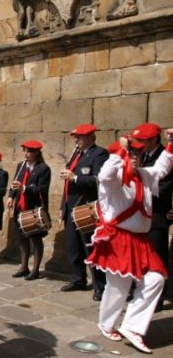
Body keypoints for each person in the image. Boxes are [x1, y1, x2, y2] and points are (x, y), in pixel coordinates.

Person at [86, 130, 173, 354]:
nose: (136, 156)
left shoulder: (144, 175)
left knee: (156, 278)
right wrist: (121, 152)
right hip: (119, 239)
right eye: (132, 153)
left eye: (138, 153)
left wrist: (171, 143)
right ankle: (106, 324)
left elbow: (162, 168)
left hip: (140, 240)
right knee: (118, 286)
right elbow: (104, 175)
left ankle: (132, 327)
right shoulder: (113, 181)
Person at [58, 124, 109, 299]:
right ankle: (78, 279)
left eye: (79, 137)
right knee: (73, 247)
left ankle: (100, 286)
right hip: (72, 207)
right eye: (75, 137)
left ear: (90, 137)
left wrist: (76, 178)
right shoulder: (76, 155)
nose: (76, 140)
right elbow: (67, 185)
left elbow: (99, 180)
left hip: (86, 208)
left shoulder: (99, 154)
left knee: (90, 248)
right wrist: (62, 206)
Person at [132, 123, 173, 311]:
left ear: (154, 140)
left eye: (142, 140)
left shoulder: (165, 157)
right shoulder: (143, 155)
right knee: (142, 260)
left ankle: (157, 299)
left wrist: (135, 192)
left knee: (157, 260)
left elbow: (162, 189)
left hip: (156, 217)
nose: (138, 144)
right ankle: (141, 294)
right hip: (141, 217)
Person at [6, 140, 51, 280]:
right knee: (22, 238)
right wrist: (11, 196)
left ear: (37, 152)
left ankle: (36, 270)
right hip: (20, 207)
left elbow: (42, 189)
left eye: (29, 151)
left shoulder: (43, 168)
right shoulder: (21, 166)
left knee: (36, 239)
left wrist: (24, 188)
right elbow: (15, 183)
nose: (26, 153)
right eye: (25, 150)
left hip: (34, 208)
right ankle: (24, 267)